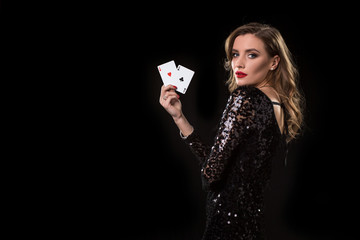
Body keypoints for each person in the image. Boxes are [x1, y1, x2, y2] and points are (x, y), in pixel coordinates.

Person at [159, 22, 304, 239]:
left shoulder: (244, 98)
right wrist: (179, 117)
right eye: (235, 54)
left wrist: (209, 172)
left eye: (252, 55)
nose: (239, 64)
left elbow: (212, 175)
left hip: (227, 226)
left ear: (274, 62)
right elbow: (228, 168)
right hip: (252, 225)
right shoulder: (276, 104)